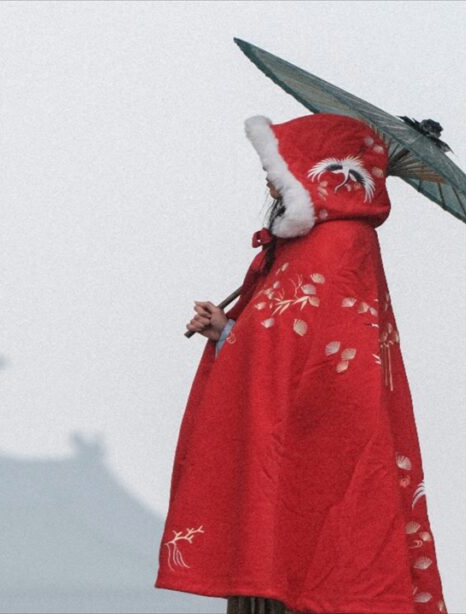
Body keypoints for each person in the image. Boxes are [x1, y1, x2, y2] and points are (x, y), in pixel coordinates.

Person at [155, 113, 447, 614]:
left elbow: (302, 347)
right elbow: (286, 341)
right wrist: (228, 330)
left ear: (312, 169)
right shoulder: (308, 242)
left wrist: (239, 336)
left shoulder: (339, 242)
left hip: (319, 438)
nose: (269, 179)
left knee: (307, 567)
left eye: (278, 165)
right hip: (296, 433)